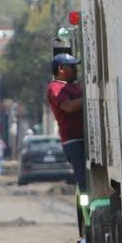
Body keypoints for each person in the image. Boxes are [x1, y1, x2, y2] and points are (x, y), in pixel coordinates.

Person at [47, 54, 86, 229]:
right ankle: (88, 215)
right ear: (61, 69)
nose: (76, 70)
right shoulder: (55, 88)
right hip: (73, 141)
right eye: (72, 66)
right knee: (84, 180)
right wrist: (90, 96)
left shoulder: (73, 87)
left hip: (84, 137)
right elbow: (68, 107)